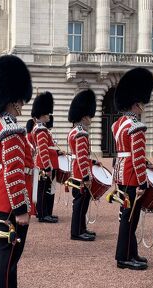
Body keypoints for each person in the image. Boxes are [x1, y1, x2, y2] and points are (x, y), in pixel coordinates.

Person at [0, 55, 40, 288]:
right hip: (11, 199)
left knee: (1, 249)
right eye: (19, 101)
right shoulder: (12, 129)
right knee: (10, 250)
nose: (21, 106)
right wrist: (21, 208)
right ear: (12, 99)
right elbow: (15, 171)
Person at [112, 68, 153, 270]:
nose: (143, 107)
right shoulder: (136, 126)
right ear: (136, 103)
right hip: (131, 177)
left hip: (121, 173)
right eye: (142, 104)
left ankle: (130, 252)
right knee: (130, 218)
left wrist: (145, 163)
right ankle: (124, 256)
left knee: (126, 216)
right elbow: (136, 156)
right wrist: (142, 181)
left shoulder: (118, 124)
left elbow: (126, 152)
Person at [67, 89, 97, 242]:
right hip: (80, 173)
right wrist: (86, 175)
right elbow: (81, 156)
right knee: (80, 203)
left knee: (82, 202)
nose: (90, 119)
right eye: (89, 116)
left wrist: (92, 163)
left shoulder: (74, 131)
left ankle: (81, 228)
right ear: (84, 117)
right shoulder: (81, 133)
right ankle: (77, 232)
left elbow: (81, 156)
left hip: (77, 171)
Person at [31, 92, 57, 223]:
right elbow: (42, 150)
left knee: (46, 189)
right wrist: (47, 166)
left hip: (44, 163)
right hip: (43, 164)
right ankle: (42, 214)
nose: (48, 116)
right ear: (41, 115)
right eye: (47, 113)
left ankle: (45, 212)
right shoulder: (41, 130)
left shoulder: (42, 128)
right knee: (42, 190)